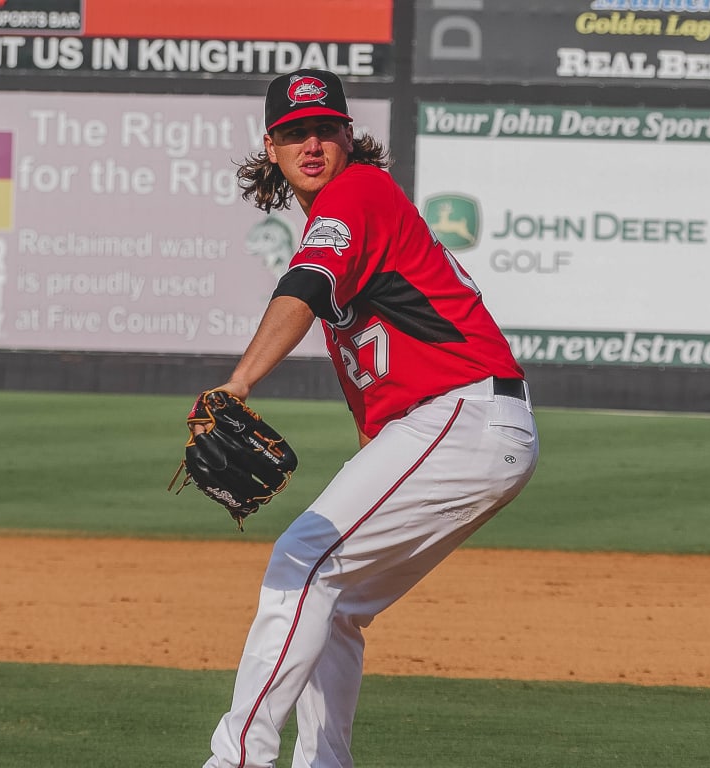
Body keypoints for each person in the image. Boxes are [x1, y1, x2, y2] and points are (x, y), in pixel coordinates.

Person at [197, 69, 539, 768]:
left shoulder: (358, 193)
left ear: (349, 138)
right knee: (338, 604)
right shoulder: (352, 220)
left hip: (461, 412)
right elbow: (377, 413)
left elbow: (303, 287)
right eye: (296, 133)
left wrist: (239, 382)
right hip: (461, 424)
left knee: (300, 559)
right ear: (273, 145)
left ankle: (236, 760)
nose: (312, 143)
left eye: (326, 129)